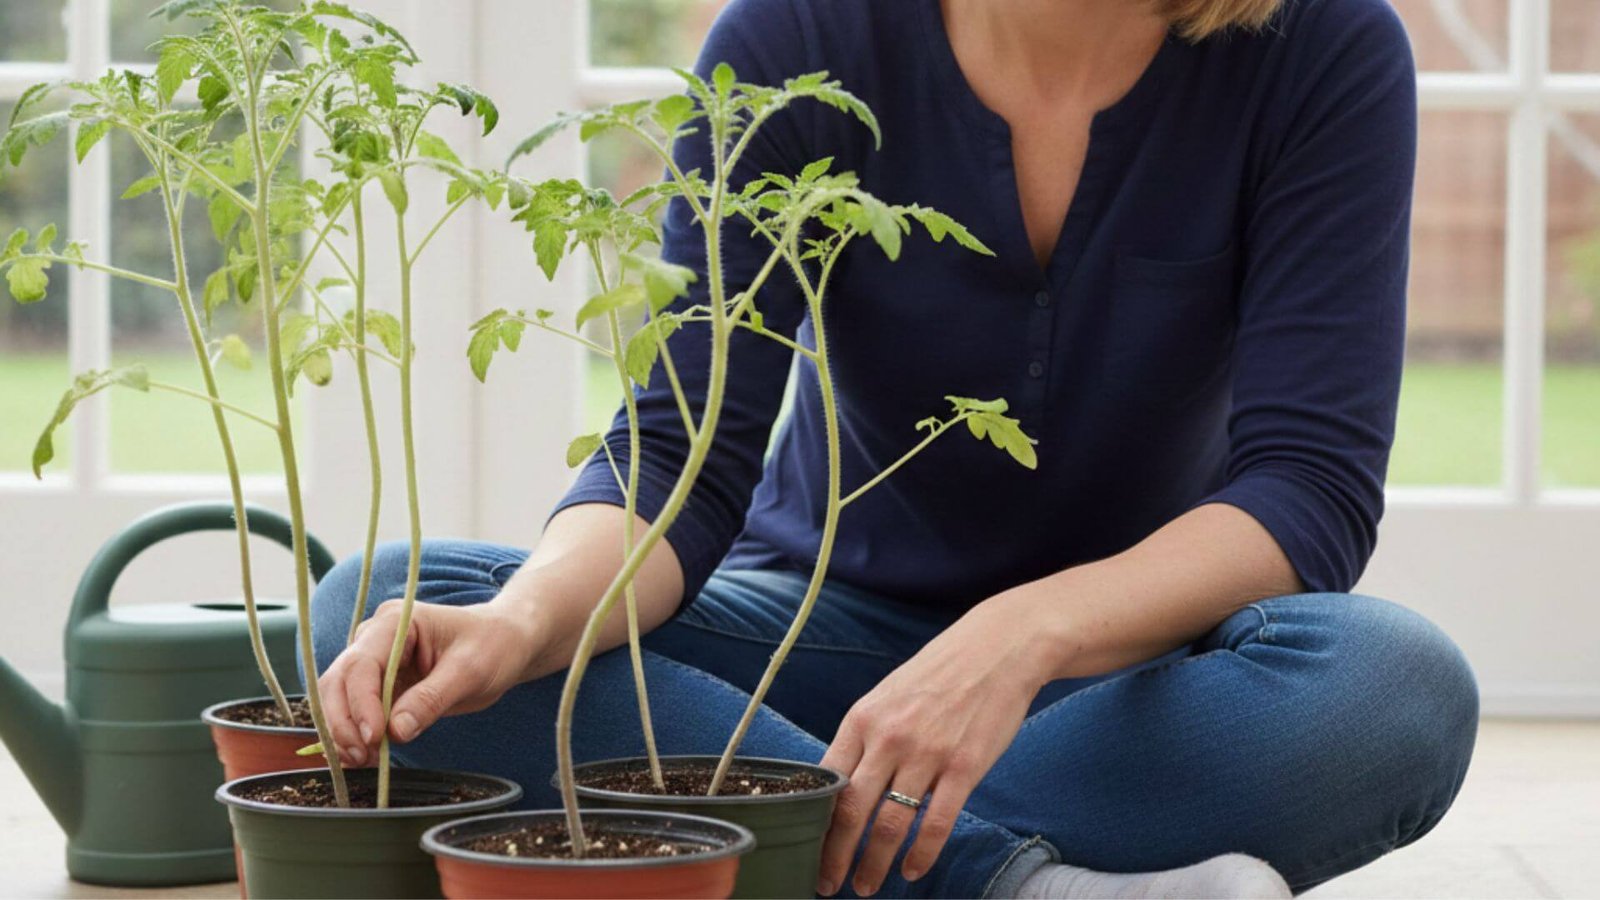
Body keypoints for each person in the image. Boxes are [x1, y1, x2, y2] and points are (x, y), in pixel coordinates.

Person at [310, 0, 1479, 896]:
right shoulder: (800, 31)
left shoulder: (1323, 43)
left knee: (1396, 690)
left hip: (1140, 681)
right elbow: (677, 455)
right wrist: (519, 623)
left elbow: (1307, 487)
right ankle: (1013, 878)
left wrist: (1013, 640)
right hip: (821, 650)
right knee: (382, 606)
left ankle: (782, 830)